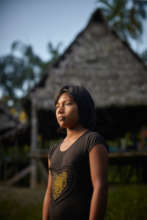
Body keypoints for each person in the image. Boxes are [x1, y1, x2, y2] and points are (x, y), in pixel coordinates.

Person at [42, 85, 108, 220]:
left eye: (67, 104)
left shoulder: (92, 140)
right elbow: (49, 192)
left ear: (82, 108)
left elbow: (100, 187)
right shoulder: (53, 150)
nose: (60, 110)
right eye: (57, 106)